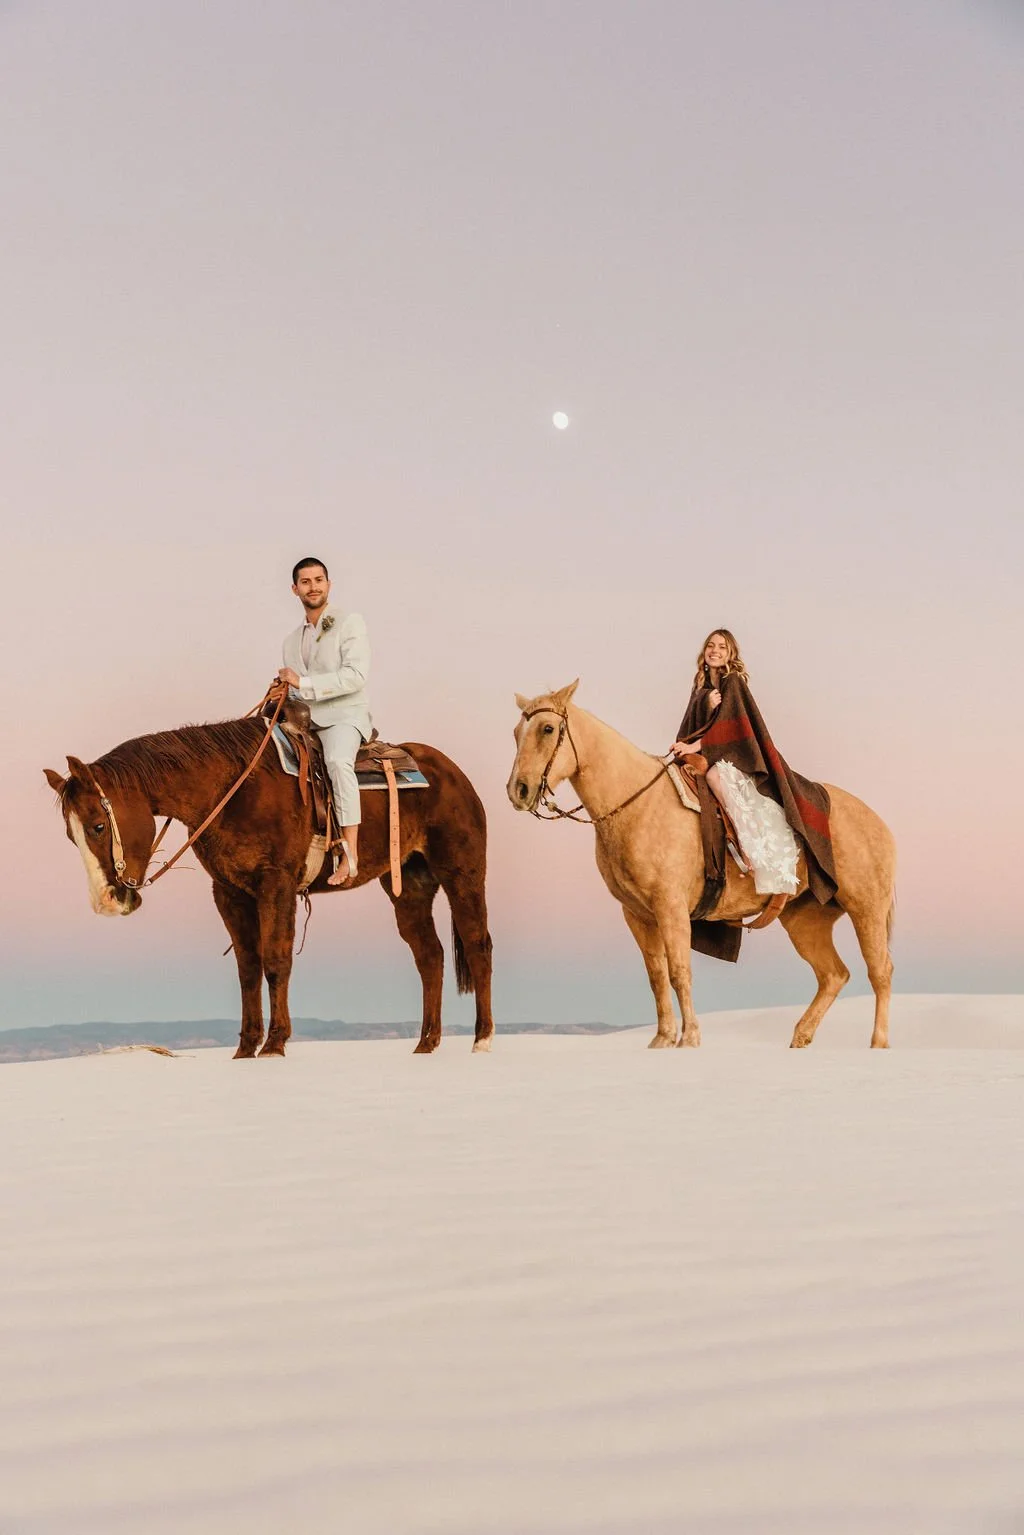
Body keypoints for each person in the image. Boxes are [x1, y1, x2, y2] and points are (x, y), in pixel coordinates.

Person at [671, 629, 837, 922]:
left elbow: (731, 729)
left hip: (734, 757)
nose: (715, 650)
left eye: (722, 647)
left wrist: (695, 743)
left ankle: (745, 844)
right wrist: (701, 710)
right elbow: (692, 724)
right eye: (711, 646)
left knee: (715, 778)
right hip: (708, 755)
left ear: (731, 653)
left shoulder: (733, 682)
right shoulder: (700, 688)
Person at [277, 557, 371, 886]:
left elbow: (355, 676)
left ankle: (350, 854)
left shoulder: (349, 623)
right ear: (295, 589)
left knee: (336, 761)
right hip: (304, 722)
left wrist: (302, 684)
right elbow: (295, 694)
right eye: (306, 582)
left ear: (328, 585)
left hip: (344, 716)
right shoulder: (290, 640)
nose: (313, 586)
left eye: (319, 580)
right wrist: (282, 696)